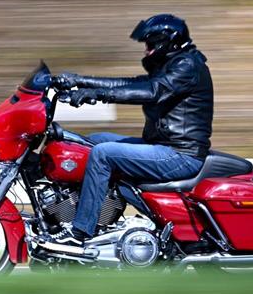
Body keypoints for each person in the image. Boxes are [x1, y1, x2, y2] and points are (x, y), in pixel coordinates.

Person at [54, 13, 213, 243]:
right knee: (92, 142)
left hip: (180, 154)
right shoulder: (174, 63)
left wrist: (97, 94)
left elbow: (151, 91)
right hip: (161, 146)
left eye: (150, 44)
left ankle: (80, 232)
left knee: (103, 154)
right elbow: (131, 83)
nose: (147, 50)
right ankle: (78, 215)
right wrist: (79, 80)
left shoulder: (187, 65)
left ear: (166, 41)